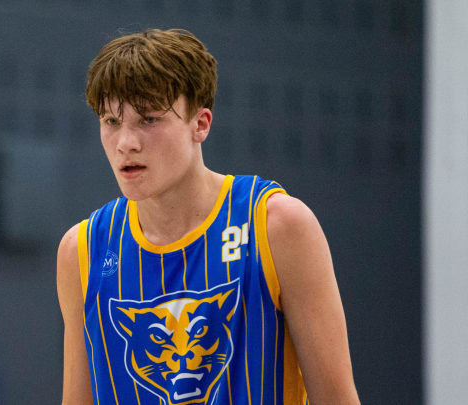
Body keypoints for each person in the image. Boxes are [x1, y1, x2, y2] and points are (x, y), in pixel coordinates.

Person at [56, 28, 360, 405]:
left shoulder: (278, 225)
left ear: (200, 124)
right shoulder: (80, 250)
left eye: (149, 120)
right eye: (111, 121)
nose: (126, 143)